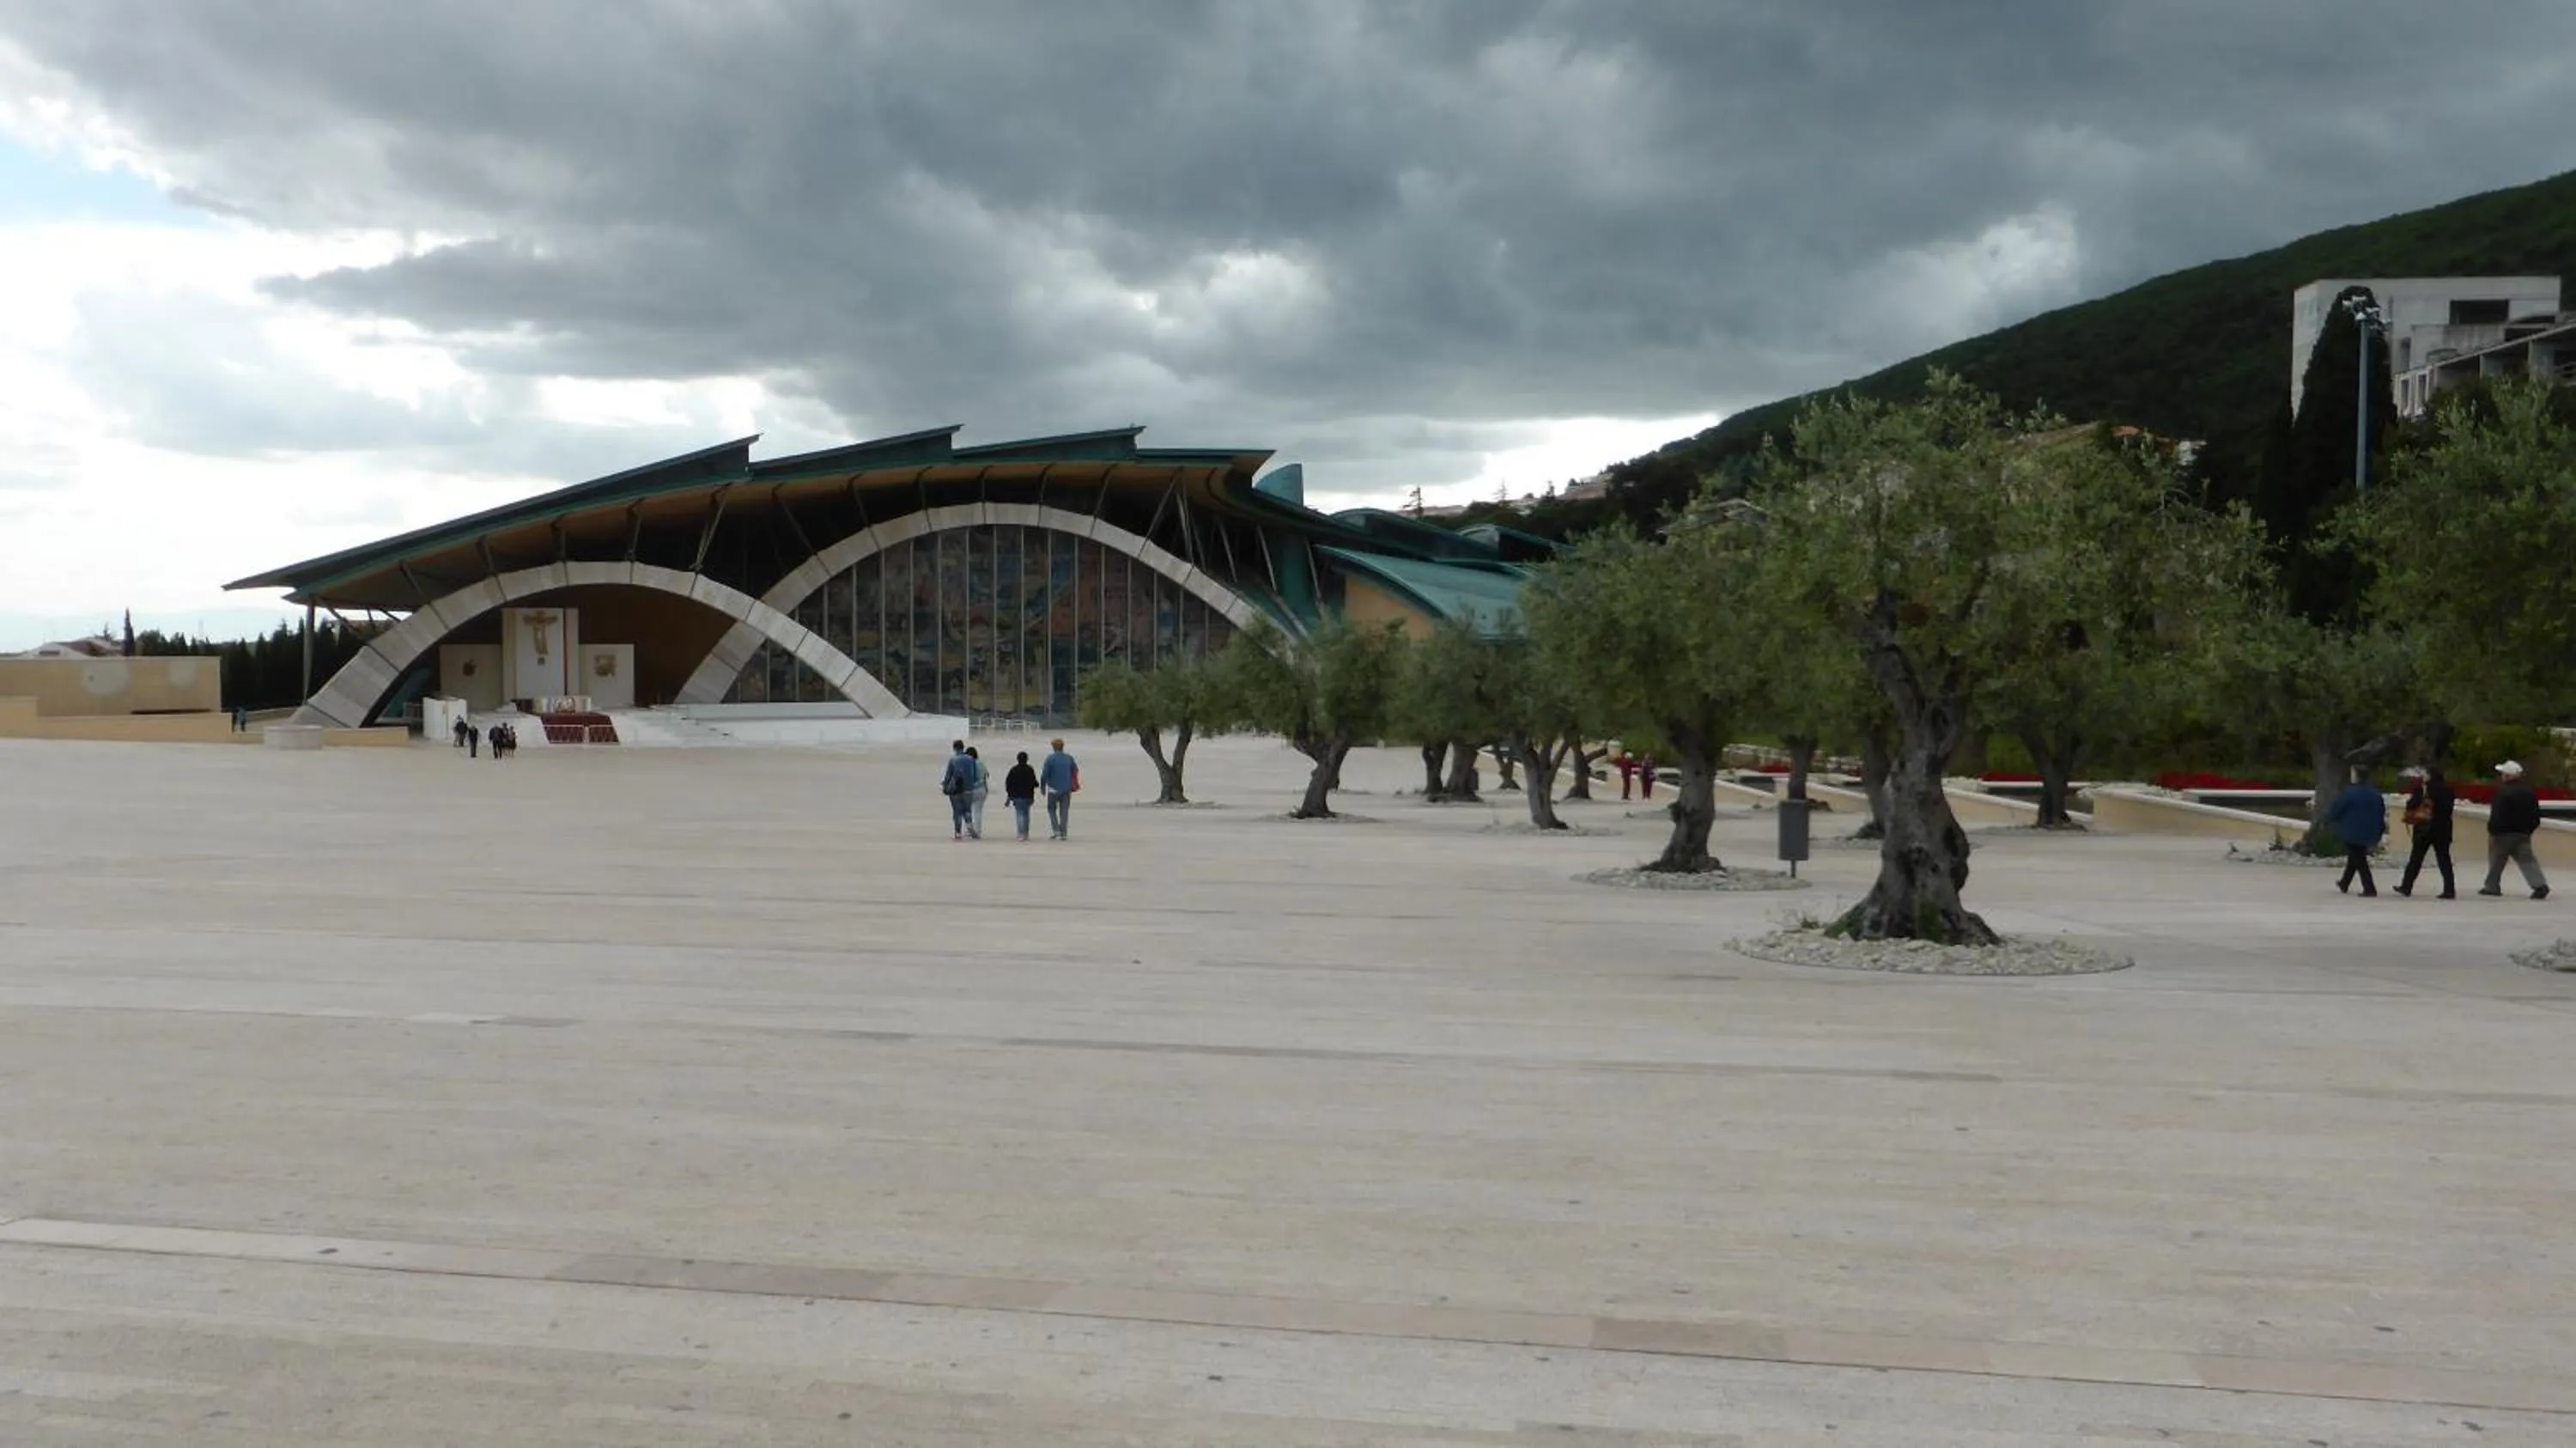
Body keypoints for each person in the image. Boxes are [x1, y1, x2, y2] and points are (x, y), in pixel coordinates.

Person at [2479, 760, 2552, 900]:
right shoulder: (2529, 792)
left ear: (2507, 776)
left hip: (2503, 833)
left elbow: (2497, 814)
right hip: (2523, 833)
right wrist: (2529, 829)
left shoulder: (2502, 792)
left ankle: (2492, 886)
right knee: (2528, 861)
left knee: (2496, 861)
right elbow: (2536, 814)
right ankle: (2539, 885)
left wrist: (2493, 830)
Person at [2392, 764, 2455, 899]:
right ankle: (2449, 889)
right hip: (2443, 830)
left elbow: (2412, 804)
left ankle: (2406, 886)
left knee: (2416, 859)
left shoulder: (2423, 789)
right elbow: (2448, 809)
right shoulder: (2448, 790)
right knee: (2444, 859)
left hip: (2424, 829)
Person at [2325, 768, 2386, 897]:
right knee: (2355, 855)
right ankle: (2344, 883)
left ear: (2356, 777)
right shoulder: (2376, 794)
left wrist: (2329, 820)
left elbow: (2337, 809)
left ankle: (2369, 888)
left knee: (2359, 858)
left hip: (2352, 830)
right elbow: (2381, 812)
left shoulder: (2349, 793)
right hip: (2370, 830)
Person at [1039, 737, 1079, 840]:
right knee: (1064, 811)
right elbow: (1075, 770)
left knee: (1051, 809)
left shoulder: (1050, 758)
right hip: (1066, 788)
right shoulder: (1069, 758)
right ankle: (1064, 833)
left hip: (1053, 789)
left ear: (1053, 747)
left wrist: (1043, 786)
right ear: (1062, 747)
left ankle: (1056, 830)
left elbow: (1045, 774)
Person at [939, 739, 981, 840]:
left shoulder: (953, 760)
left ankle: (958, 832)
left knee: (957, 812)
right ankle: (969, 825)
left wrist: (945, 786)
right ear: (963, 747)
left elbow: (948, 775)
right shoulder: (971, 759)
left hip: (955, 790)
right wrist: (971, 784)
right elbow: (975, 775)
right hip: (968, 789)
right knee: (967, 810)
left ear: (954, 748)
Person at [1004, 750, 1040, 841]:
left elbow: (1008, 783)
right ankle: (1026, 833)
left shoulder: (1014, 770)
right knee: (1026, 814)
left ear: (1018, 759)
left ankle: (1021, 833)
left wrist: (1009, 796)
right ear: (1027, 759)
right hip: (1028, 796)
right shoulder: (1030, 769)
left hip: (1017, 796)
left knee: (1019, 814)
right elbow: (1034, 783)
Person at [965, 745, 990, 838]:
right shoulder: (981, 764)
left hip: (969, 790)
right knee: (978, 812)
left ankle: (968, 830)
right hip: (981, 790)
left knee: (968, 811)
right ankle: (978, 831)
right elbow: (986, 775)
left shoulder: (966, 765)